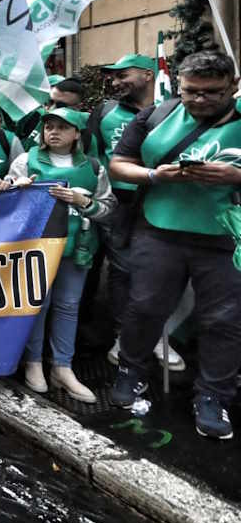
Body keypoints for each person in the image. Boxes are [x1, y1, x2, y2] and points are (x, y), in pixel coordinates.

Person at [106, 51, 241, 440]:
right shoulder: (156, 116)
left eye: (211, 92)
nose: (199, 100)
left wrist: (235, 175)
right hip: (159, 229)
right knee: (145, 306)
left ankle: (213, 396)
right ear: (177, 86)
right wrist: (153, 175)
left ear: (232, 86)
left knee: (224, 320)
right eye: (190, 92)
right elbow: (119, 163)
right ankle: (130, 371)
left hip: (225, 237)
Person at [0, 108, 115, 403]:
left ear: (77, 133)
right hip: (36, 249)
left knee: (68, 306)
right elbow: (4, 202)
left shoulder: (93, 167)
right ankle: (34, 362)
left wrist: (84, 201)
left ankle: (63, 367)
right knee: (38, 304)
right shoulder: (25, 161)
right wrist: (17, 190)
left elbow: (109, 209)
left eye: (62, 127)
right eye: (49, 126)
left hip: (78, 248)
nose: (53, 132)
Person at [91, 55, 183, 371]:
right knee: (123, 272)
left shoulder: (173, 110)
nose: (115, 83)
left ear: (147, 75)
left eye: (122, 75)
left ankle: (158, 336)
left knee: (163, 272)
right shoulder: (103, 113)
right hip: (120, 204)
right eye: (112, 78)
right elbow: (92, 156)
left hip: (164, 203)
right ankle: (124, 336)